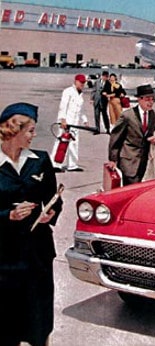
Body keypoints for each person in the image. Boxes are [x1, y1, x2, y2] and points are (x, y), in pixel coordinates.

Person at [0, 102, 63, 346]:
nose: (34, 135)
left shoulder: (40, 161)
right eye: (30, 130)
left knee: (39, 319)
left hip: (37, 255)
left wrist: (51, 212)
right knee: (6, 321)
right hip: (5, 259)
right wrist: (8, 215)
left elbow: (54, 199)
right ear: (13, 130)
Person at [107, 84, 155, 185]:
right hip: (128, 159)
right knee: (131, 186)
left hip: (144, 160)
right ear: (139, 100)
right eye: (147, 99)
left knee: (138, 186)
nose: (150, 102)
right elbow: (115, 137)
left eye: (152, 99)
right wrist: (112, 159)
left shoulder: (154, 115)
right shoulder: (127, 115)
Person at [51, 74, 88, 172]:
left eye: (83, 83)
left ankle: (72, 165)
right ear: (76, 81)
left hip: (75, 123)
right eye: (80, 82)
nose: (82, 84)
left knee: (74, 144)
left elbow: (82, 109)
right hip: (66, 122)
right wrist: (62, 119)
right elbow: (63, 106)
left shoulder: (81, 95)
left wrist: (85, 120)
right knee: (61, 143)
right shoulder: (68, 92)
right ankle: (56, 164)